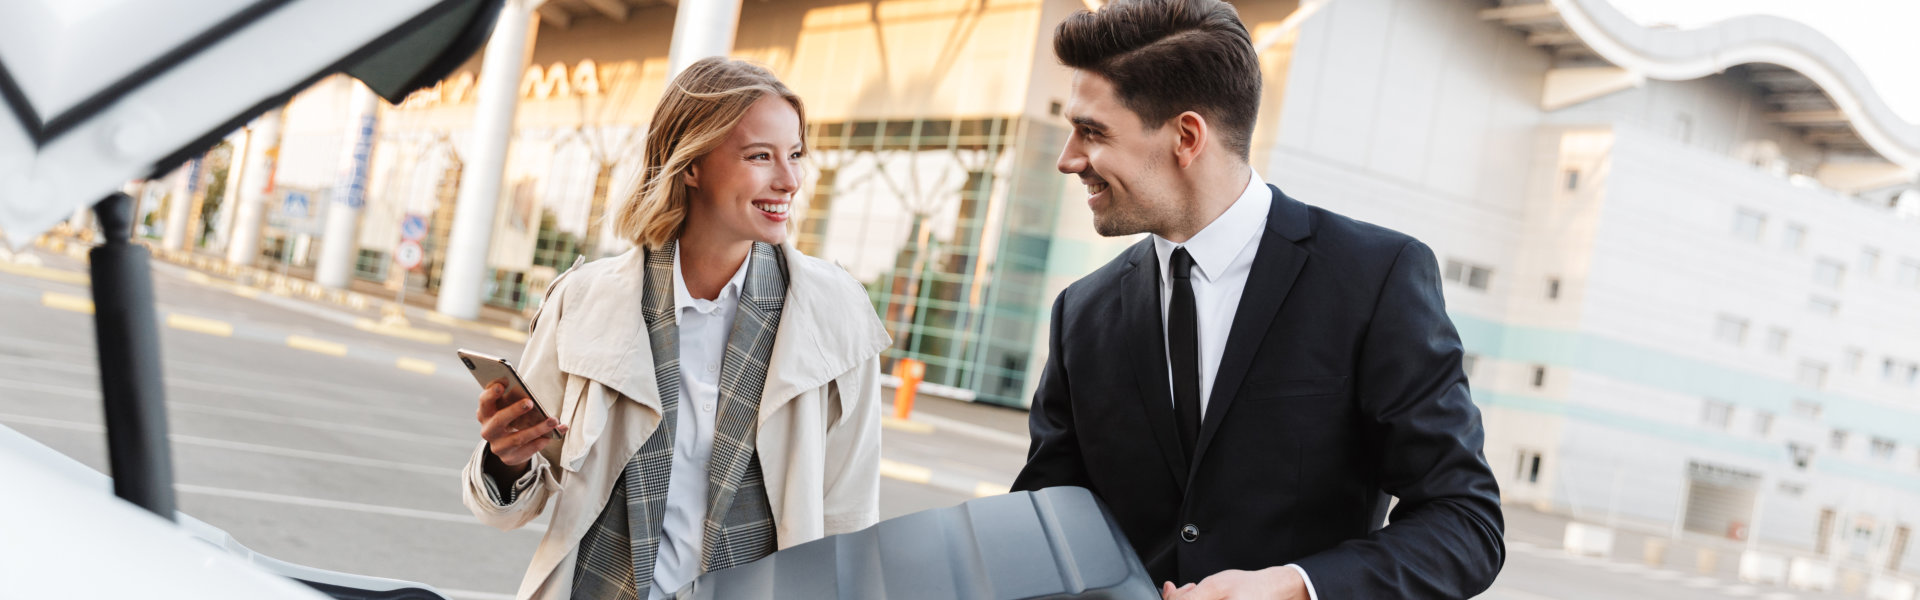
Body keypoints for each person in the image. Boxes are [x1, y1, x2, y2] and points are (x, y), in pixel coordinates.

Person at [1009, 1, 1506, 598]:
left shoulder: (1374, 279)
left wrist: (1297, 587)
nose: (1069, 159)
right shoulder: (1080, 314)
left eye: (1092, 131)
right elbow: (1042, 529)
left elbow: (1466, 523)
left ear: (1187, 136)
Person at [460, 57, 890, 600]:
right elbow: (515, 504)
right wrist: (505, 459)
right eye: (761, 156)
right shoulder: (586, 301)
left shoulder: (837, 315)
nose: (790, 179)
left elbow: (849, 521)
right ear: (690, 165)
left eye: (795, 155)